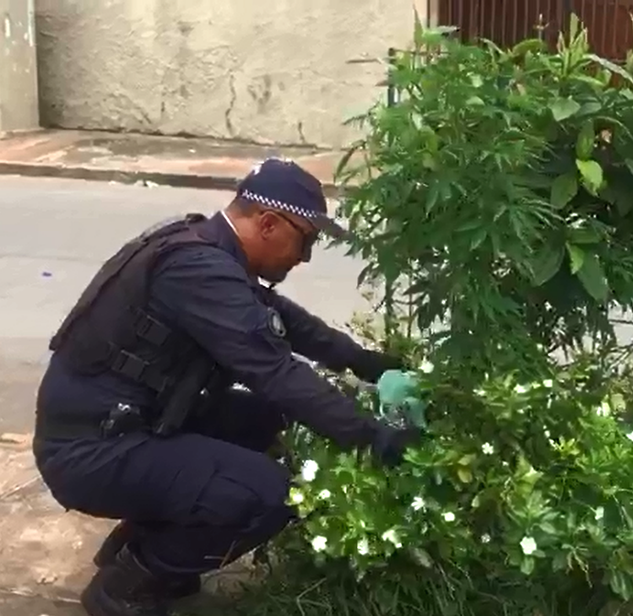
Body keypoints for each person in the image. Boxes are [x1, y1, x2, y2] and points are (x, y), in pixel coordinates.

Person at [32, 158, 421, 616]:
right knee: (268, 493)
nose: (305, 257)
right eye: (307, 240)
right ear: (270, 223)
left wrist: (373, 365)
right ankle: (126, 586)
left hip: (129, 423)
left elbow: (291, 324)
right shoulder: (197, 269)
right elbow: (275, 372)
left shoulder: (205, 249)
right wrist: (373, 437)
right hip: (90, 449)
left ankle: (139, 545)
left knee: (270, 423)